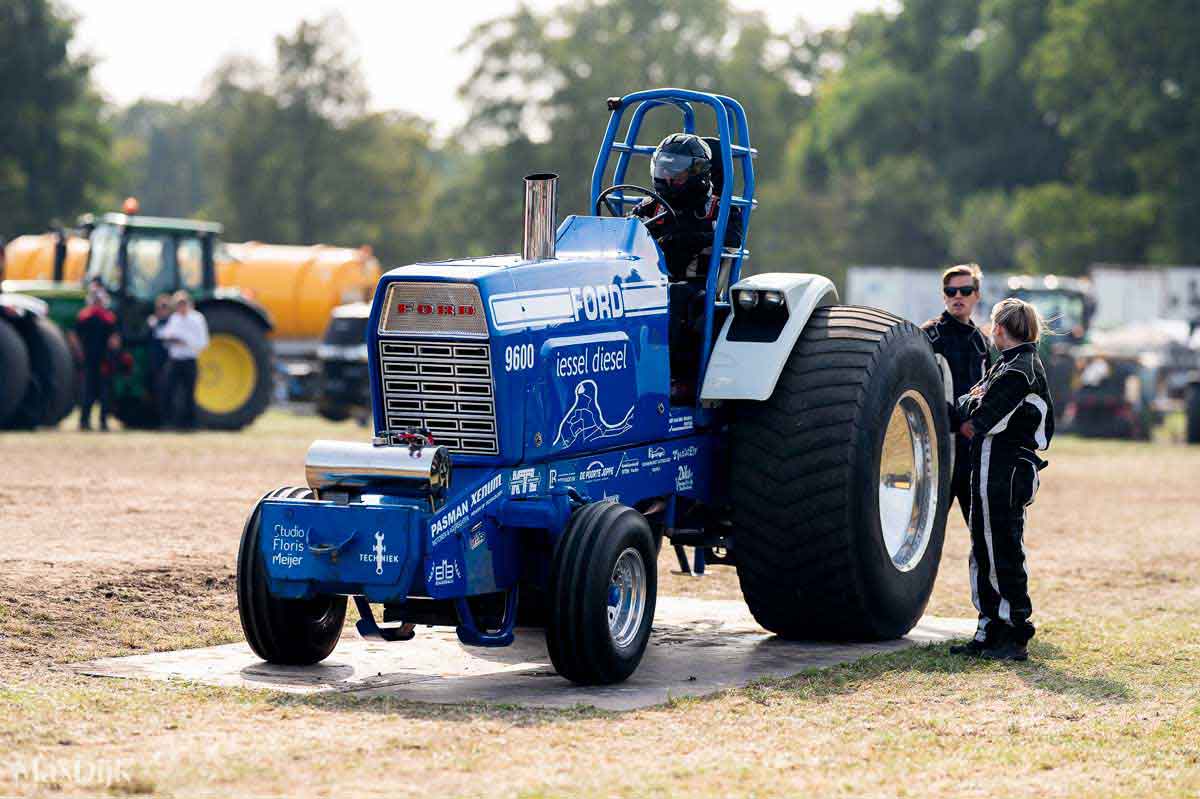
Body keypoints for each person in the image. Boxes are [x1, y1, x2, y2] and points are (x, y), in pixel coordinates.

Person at [951, 298, 1054, 661]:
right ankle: (990, 628)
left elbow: (980, 418)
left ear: (998, 329)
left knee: (1002, 549)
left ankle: (1014, 632)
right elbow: (970, 402)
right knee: (984, 548)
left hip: (1005, 468)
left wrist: (973, 403)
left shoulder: (1017, 370)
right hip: (993, 465)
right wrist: (973, 402)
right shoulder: (1011, 364)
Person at [921, 264, 992, 524]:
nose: (957, 296)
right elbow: (922, 389)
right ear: (944, 296)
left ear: (977, 295)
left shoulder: (980, 340)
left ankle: (985, 567)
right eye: (951, 291)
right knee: (929, 525)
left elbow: (990, 388)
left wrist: (978, 423)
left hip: (972, 448)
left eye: (965, 290)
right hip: (937, 447)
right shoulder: (929, 335)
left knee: (981, 526)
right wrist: (957, 423)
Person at [631, 133, 743, 280]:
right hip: (650, 285)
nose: (668, 178)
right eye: (663, 170)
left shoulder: (720, 210)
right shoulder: (651, 206)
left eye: (676, 173)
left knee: (676, 294)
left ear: (698, 172)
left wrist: (687, 240)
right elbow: (626, 232)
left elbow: (733, 239)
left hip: (695, 288)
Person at [156, 291, 209, 430]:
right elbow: (164, 336)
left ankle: (190, 424)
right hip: (175, 360)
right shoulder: (174, 318)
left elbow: (203, 342)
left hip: (189, 359)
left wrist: (185, 341)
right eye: (178, 305)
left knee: (189, 393)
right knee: (167, 390)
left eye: (183, 304)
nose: (180, 308)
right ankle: (169, 423)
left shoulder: (198, 319)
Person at [72, 282, 120, 431]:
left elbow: (74, 337)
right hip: (98, 360)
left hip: (96, 360)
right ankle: (96, 422)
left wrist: (79, 353)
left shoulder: (85, 316)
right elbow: (114, 340)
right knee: (97, 391)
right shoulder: (106, 317)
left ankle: (89, 421)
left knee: (93, 391)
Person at [146, 293, 173, 423]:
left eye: (165, 307)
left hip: (167, 362)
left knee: (166, 391)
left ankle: (166, 420)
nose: (162, 310)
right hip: (153, 363)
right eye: (160, 307)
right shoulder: (152, 323)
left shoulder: (173, 322)